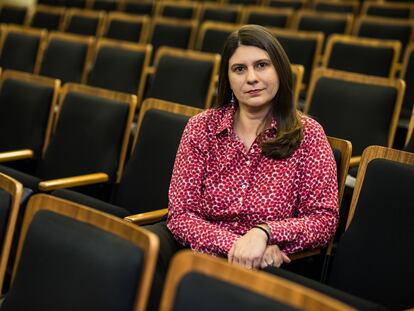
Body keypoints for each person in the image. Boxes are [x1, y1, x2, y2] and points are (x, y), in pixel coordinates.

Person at [146, 24, 338, 310]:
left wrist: (263, 234)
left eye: (262, 65)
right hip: (197, 257)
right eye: (239, 69)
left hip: (267, 270)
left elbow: (324, 220)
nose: (251, 78)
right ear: (228, 78)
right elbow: (182, 214)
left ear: (280, 71)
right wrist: (238, 247)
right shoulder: (201, 128)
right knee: (141, 252)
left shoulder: (307, 134)